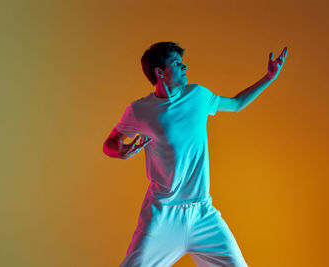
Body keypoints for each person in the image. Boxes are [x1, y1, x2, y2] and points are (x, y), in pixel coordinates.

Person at [103, 41, 288, 267]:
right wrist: (119, 151)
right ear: (160, 72)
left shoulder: (198, 96)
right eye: (177, 63)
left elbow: (237, 104)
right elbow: (110, 143)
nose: (185, 67)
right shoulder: (139, 110)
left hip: (202, 215)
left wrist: (269, 77)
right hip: (163, 215)